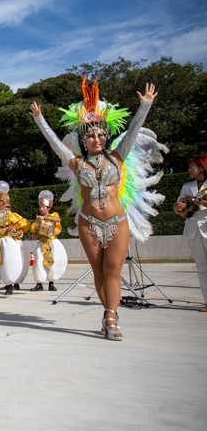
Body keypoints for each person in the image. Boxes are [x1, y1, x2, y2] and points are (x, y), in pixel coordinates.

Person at [31, 78, 159, 340]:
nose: (97, 138)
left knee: (113, 271)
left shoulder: (118, 156)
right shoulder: (76, 163)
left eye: (101, 134)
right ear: (83, 139)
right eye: (91, 134)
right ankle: (108, 311)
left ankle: (111, 317)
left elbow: (134, 130)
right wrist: (39, 120)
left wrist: (144, 106)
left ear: (107, 136)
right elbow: (55, 143)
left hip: (116, 222)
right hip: (88, 223)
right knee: (99, 271)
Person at [0, 182, 31, 295]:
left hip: (5, 241)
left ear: (2, 202)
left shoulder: (9, 215)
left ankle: (9, 286)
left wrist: (5, 229)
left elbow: (18, 224)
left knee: (8, 262)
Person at [174, 156, 207, 312]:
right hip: (194, 228)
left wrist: (203, 203)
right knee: (202, 267)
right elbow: (178, 208)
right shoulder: (188, 186)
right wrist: (178, 205)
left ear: (201, 168)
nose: (188, 170)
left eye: (191, 167)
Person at [30, 190, 68, 292]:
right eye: (40, 207)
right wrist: (37, 224)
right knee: (38, 262)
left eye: (43, 207)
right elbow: (34, 234)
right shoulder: (38, 220)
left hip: (52, 243)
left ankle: (51, 283)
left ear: (48, 208)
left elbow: (58, 228)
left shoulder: (54, 215)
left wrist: (51, 231)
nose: (41, 209)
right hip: (42, 243)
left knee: (53, 261)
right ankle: (39, 283)